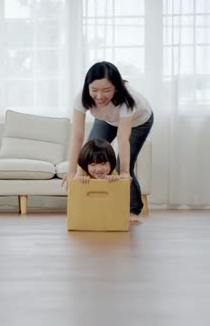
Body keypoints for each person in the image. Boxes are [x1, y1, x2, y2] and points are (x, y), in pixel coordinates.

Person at [62, 61, 154, 223]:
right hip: (108, 120)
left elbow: (123, 139)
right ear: (87, 87)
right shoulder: (81, 98)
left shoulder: (127, 100)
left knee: (121, 168)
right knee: (90, 157)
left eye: (106, 90)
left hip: (138, 122)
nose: (99, 96)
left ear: (116, 88)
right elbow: (77, 135)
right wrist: (72, 172)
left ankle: (133, 209)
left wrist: (124, 172)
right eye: (94, 90)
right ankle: (91, 203)